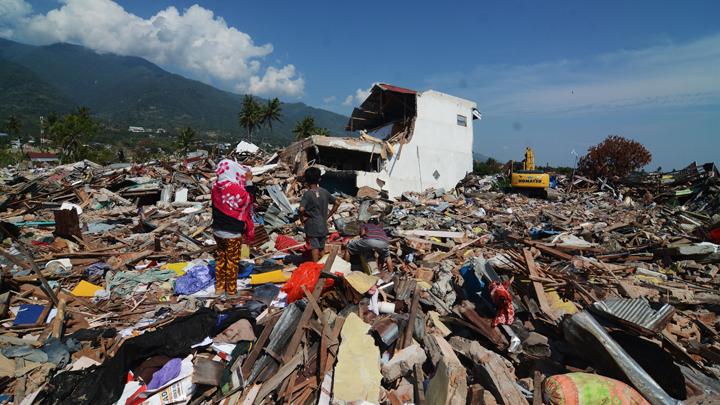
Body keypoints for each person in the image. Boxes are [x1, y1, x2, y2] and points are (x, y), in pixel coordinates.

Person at [211, 159, 255, 296]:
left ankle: (219, 288)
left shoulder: (215, 187)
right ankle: (231, 291)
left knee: (220, 259)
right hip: (232, 233)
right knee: (232, 262)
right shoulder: (235, 188)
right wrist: (249, 181)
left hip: (217, 231)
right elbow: (249, 199)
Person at [299, 167, 340, 262]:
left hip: (312, 224)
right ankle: (323, 268)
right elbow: (337, 202)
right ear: (319, 179)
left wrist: (301, 218)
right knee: (322, 247)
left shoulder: (307, 194)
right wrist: (328, 216)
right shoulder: (324, 192)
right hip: (323, 224)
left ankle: (316, 267)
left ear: (306, 180)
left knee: (314, 247)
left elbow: (301, 209)